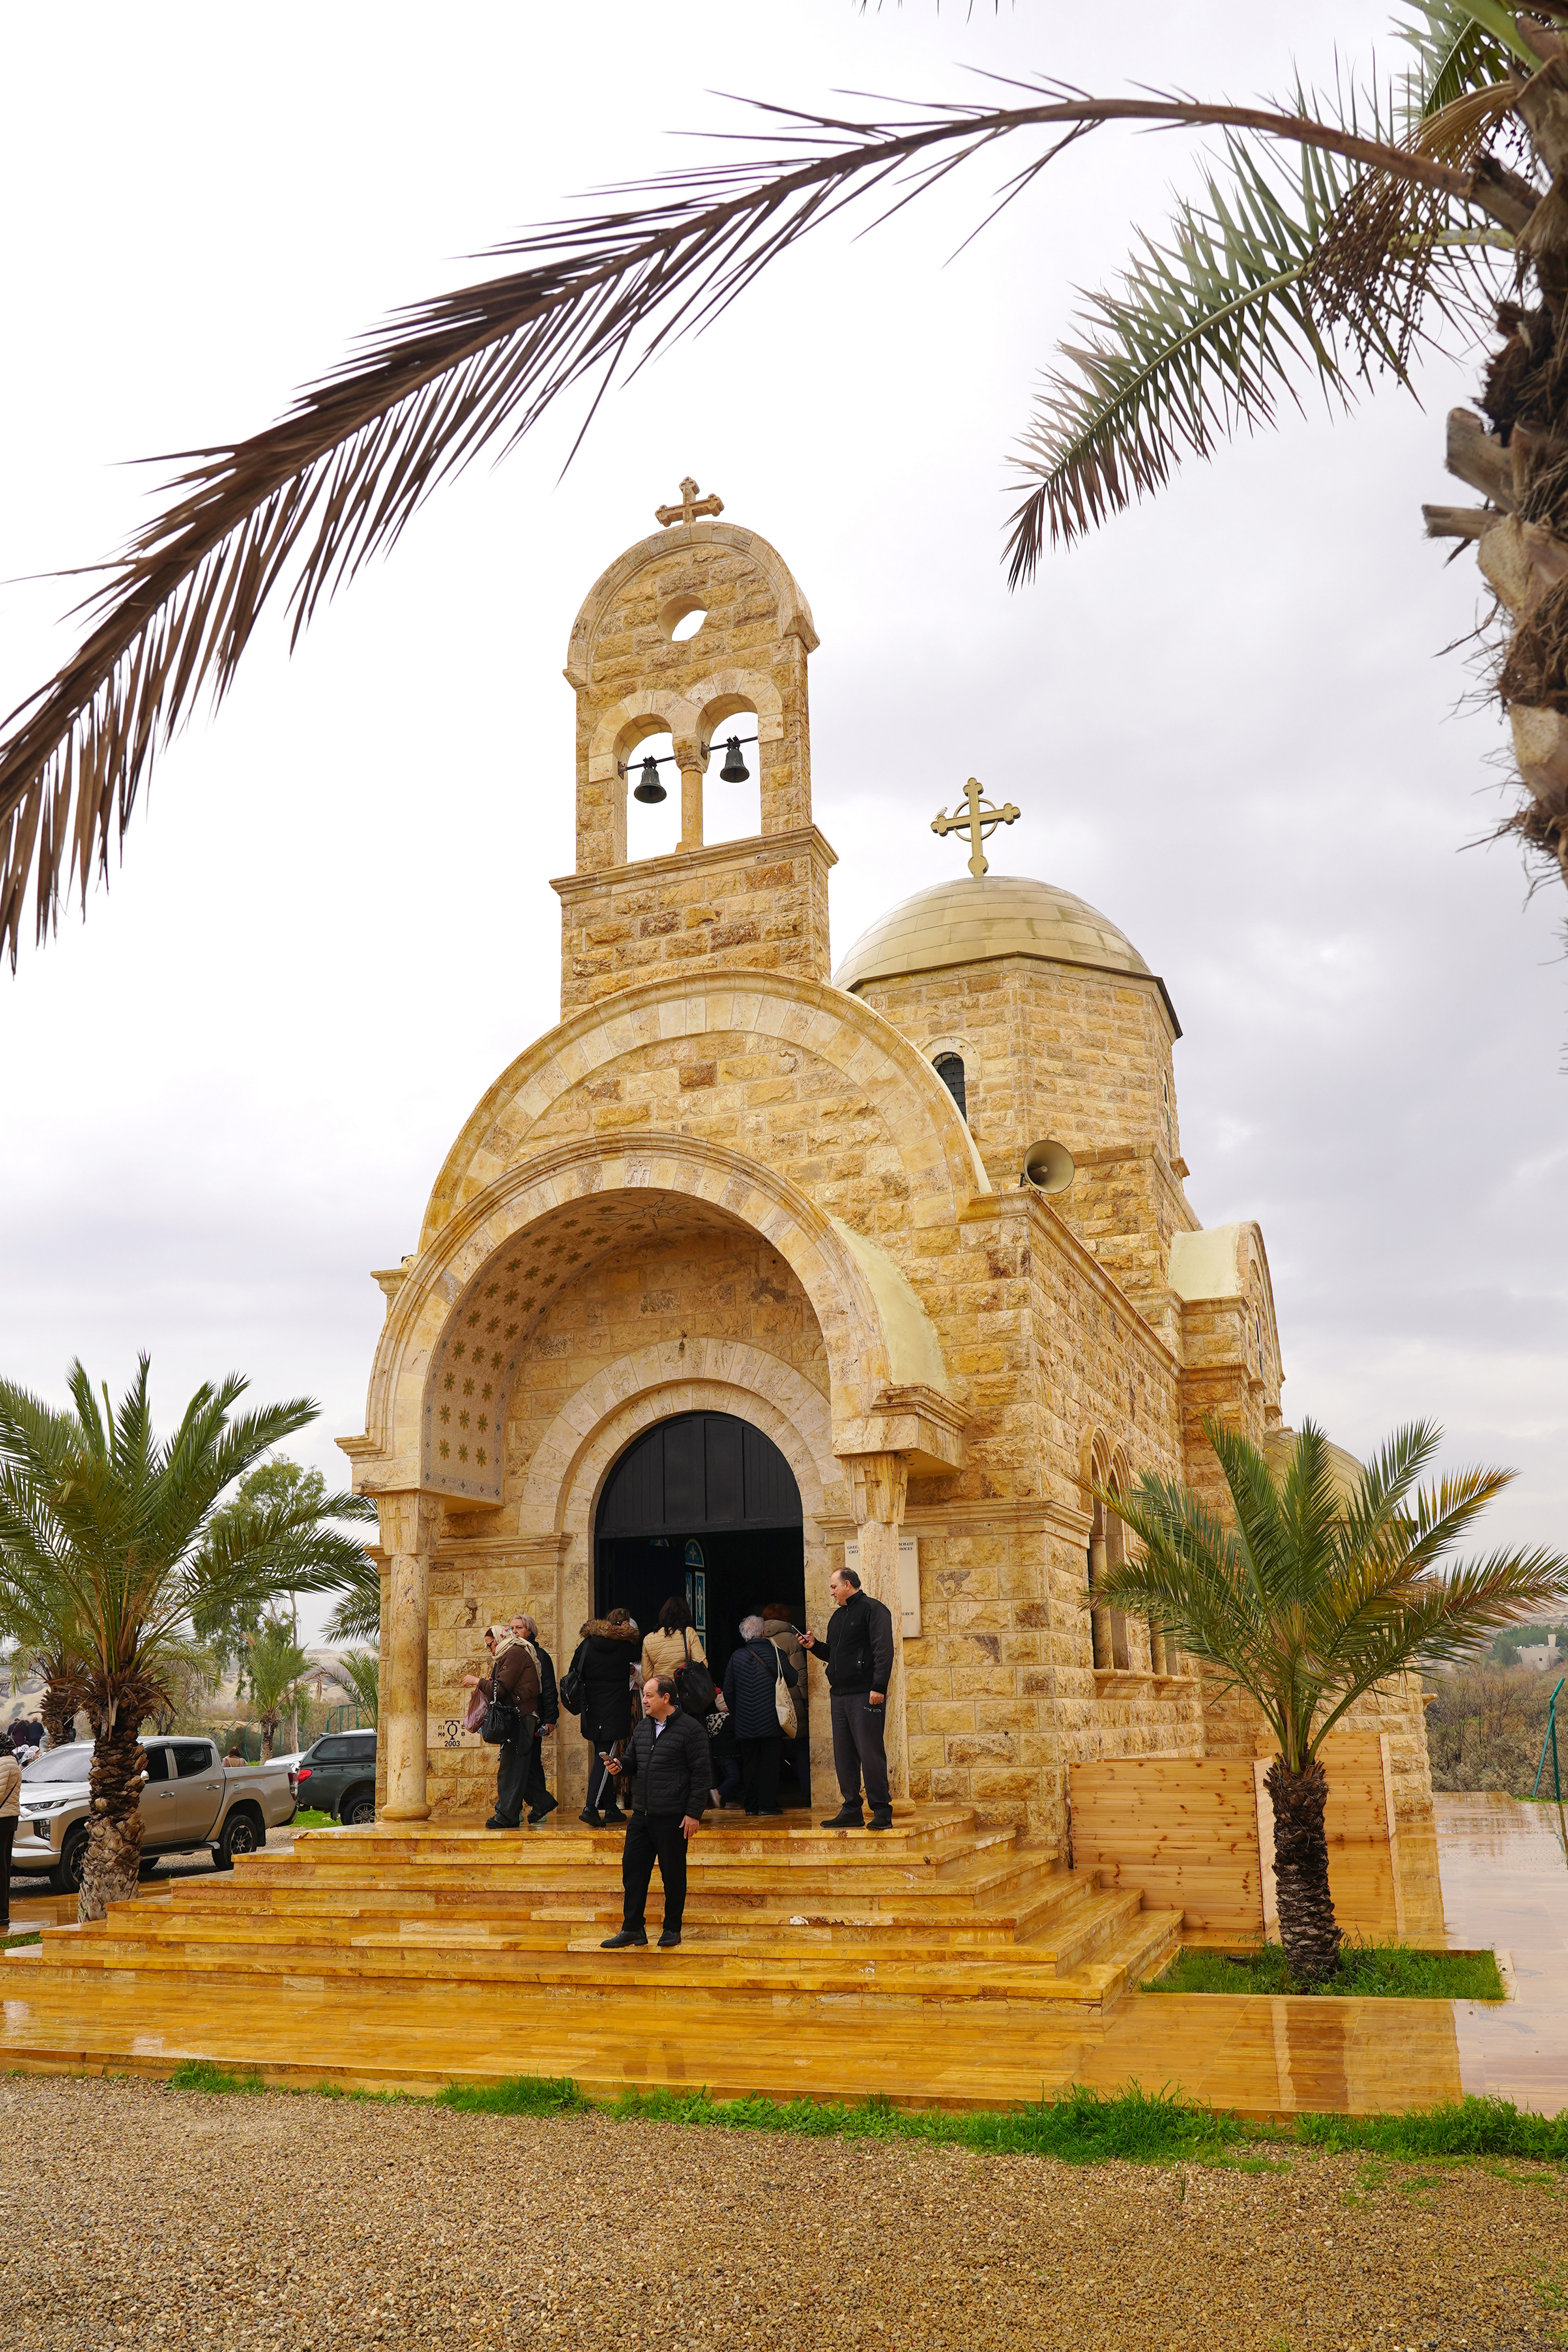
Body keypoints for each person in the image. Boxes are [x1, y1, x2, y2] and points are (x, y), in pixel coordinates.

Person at [599, 1677, 711, 1950]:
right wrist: (619, 1765)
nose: (644, 1700)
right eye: (644, 1695)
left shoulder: (691, 1729)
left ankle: (672, 1928)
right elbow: (633, 1761)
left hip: (673, 1816)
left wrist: (694, 1813)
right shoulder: (643, 1728)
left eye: (649, 1695)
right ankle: (633, 1928)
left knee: (673, 1875)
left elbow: (701, 1774)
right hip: (642, 1815)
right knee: (633, 1871)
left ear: (666, 1698)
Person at [799, 1565, 896, 1830]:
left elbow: (883, 1650)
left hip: (865, 1694)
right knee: (844, 1755)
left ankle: (882, 1811)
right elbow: (836, 1656)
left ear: (848, 1585)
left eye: (833, 1587)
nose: (831, 1593)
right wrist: (814, 1646)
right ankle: (852, 1809)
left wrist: (878, 1686)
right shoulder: (837, 1618)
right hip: (839, 1696)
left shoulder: (873, 1610)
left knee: (870, 1753)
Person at [460, 1625, 540, 1832]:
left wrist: (477, 1681)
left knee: (511, 1769)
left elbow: (502, 1689)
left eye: (490, 1645)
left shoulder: (513, 1654)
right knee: (515, 1767)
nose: (490, 1650)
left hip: (520, 1717)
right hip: (519, 1716)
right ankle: (541, 1803)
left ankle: (506, 1816)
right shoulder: (511, 1653)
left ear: (499, 1639)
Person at [567, 1606, 640, 1827]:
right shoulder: (625, 1648)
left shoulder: (587, 1645)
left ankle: (610, 1809)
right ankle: (591, 1807)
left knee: (602, 1755)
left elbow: (573, 1671)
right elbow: (640, 1663)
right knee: (606, 1760)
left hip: (592, 1711)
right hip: (615, 1711)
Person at [721, 1613, 798, 1816]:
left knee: (750, 1764)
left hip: (745, 1722)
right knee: (770, 1764)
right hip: (772, 1720)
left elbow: (728, 1690)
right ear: (763, 1632)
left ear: (745, 1636)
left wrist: (739, 1713)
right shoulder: (776, 1653)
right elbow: (792, 1679)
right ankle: (767, 1806)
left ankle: (751, 1806)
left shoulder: (736, 1657)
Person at [510, 1613, 559, 1825]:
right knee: (513, 1765)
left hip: (533, 1718)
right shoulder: (509, 1654)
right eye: (511, 1628)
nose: (514, 1632)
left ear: (529, 1631)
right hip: (512, 1719)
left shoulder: (540, 1655)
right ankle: (516, 1807)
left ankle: (540, 1807)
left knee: (532, 1764)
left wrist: (550, 1719)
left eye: (519, 1628)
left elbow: (548, 1689)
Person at [639, 1595, 707, 1688]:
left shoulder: (648, 1639)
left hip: (661, 1692)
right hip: (684, 1691)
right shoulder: (688, 1633)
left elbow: (647, 1676)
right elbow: (702, 1665)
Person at [0, 1739, 18, 1930]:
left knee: (1, 1868)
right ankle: (3, 1913)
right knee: (4, 1867)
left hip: (2, 1819)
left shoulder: (4, 1764)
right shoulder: (10, 1761)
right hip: (8, 1819)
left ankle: (2, 1914)